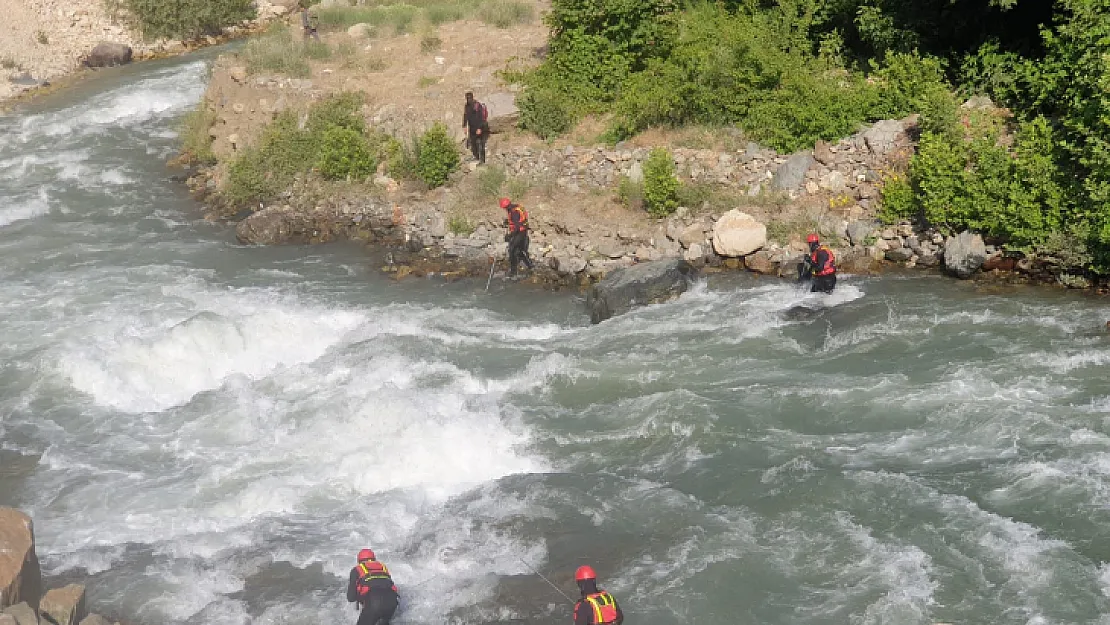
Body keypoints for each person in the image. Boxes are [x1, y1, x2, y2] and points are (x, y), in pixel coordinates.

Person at [347, 549, 399, 625]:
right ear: (374, 559)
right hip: (392, 602)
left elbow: (351, 598)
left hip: (374, 602)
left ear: (359, 561)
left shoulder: (357, 569)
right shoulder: (383, 567)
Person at [500, 197, 533, 277]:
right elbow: (518, 220)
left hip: (519, 233)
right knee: (520, 250)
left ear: (506, 206)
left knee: (512, 250)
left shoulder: (514, 212)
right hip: (524, 231)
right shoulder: (517, 207)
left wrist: (510, 236)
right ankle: (530, 266)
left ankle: (513, 272)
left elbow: (517, 227)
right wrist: (508, 222)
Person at [462, 91, 489, 164]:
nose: (468, 99)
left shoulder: (477, 105)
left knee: (481, 144)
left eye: (469, 98)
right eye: (467, 98)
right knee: (473, 143)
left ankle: (483, 161)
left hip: (479, 127)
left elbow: (481, 117)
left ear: (472, 97)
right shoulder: (466, 106)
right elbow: (465, 115)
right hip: (472, 127)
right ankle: (477, 158)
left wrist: (480, 128)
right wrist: (464, 125)